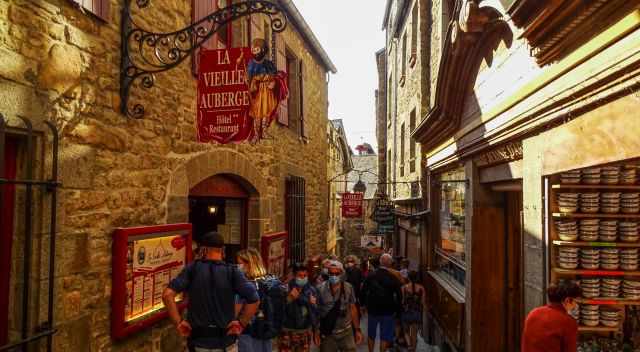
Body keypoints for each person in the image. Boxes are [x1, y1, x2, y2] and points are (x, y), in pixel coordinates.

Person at [162, 232, 260, 352]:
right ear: (222, 250)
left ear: (203, 249)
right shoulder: (232, 272)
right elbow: (254, 299)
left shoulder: (193, 269)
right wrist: (241, 323)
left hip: (198, 343)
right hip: (226, 343)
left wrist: (179, 322)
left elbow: (167, 295)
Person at [235, 248, 285, 352]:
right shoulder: (270, 280)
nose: (237, 267)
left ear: (249, 264)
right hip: (266, 330)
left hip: (248, 331)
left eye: (239, 263)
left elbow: (237, 310)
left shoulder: (246, 284)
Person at [315, 260, 363, 352]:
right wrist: (316, 331)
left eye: (336, 274)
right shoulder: (320, 289)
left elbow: (353, 309)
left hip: (346, 332)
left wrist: (357, 330)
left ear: (341, 273)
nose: (334, 276)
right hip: (328, 333)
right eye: (331, 273)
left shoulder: (348, 288)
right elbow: (317, 311)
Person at [521, 280, 581, 352]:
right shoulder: (568, 322)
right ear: (567, 300)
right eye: (575, 301)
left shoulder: (533, 313)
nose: (576, 305)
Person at [361, 253, 403, 352]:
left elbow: (363, 291)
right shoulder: (393, 277)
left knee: (371, 333)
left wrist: (363, 305)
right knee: (385, 335)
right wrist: (398, 310)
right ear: (389, 264)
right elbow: (399, 295)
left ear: (380, 262)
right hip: (388, 310)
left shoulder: (371, 275)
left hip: (373, 309)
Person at [279, 262, 318, 352]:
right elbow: (278, 309)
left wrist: (313, 304)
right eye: (300, 276)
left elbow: (315, 313)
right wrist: (289, 299)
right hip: (288, 331)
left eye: (305, 275)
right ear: (294, 276)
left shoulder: (311, 290)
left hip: (304, 331)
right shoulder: (285, 289)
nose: (303, 278)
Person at [401, 271, 426, 352]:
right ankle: (413, 350)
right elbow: (423, 302)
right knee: (414, 334)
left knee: (406, 331)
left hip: (406, 312)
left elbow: (402, 301)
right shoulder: (421, 288)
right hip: (416, 313)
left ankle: (409, 345)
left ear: (408, 277)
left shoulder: (404, 288)